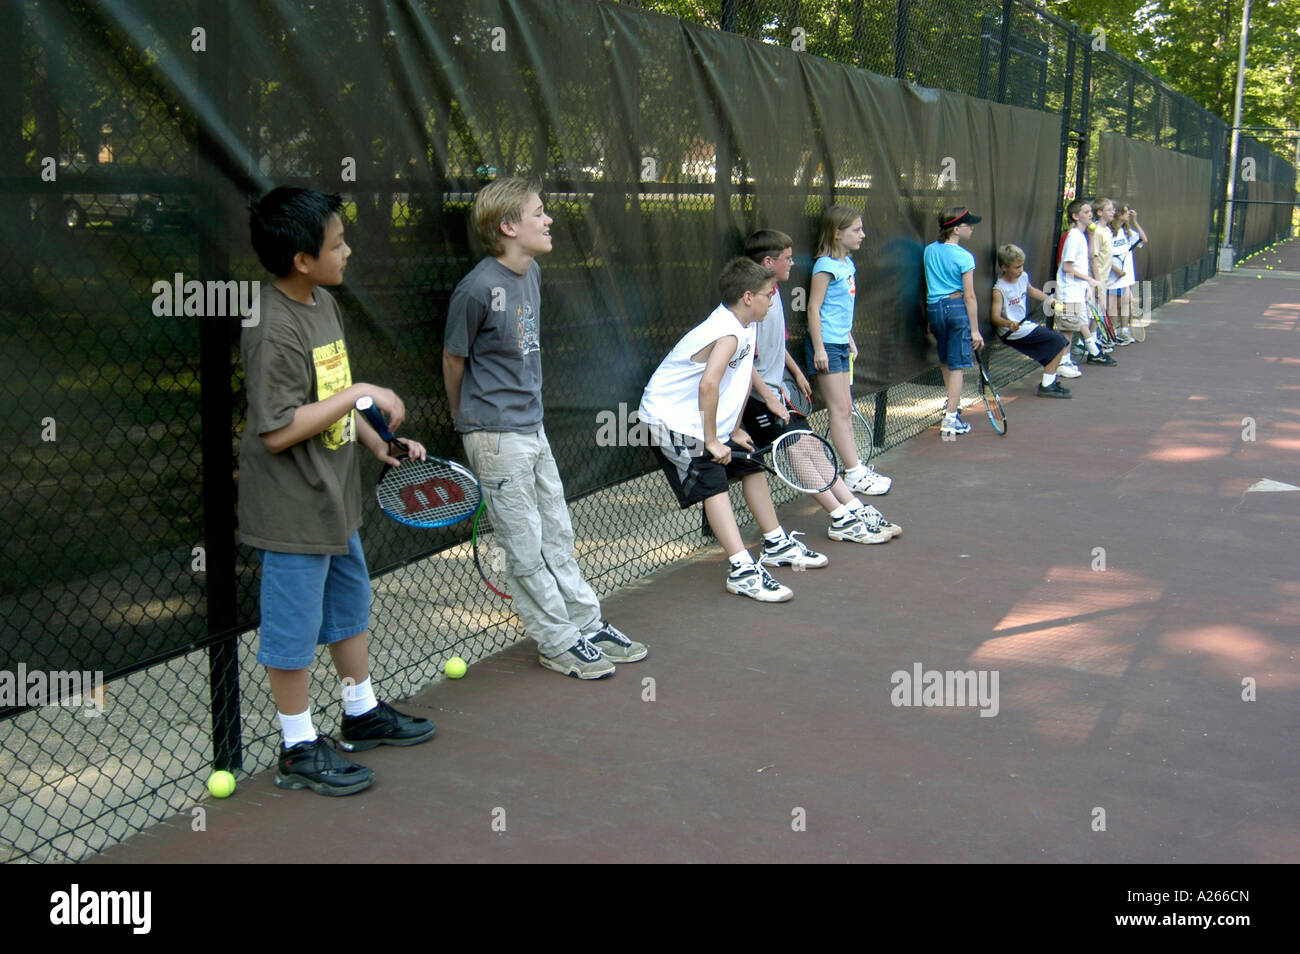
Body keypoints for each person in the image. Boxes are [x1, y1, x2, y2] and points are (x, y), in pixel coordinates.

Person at [242, 186, 436, 797]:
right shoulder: (271, 328)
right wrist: (358, 397)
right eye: (337, 243)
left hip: (336, 500)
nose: (348, 250)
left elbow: (331, 396)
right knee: (294, 627)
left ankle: (360, 712)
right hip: (292, 510)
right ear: (302, 259)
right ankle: (298, 746)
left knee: (350, 606)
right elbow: (277, 430)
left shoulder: (323, 303)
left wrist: (377, 441)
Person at [443, 177, 646, 680]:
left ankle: (586, 624)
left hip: (532, 428)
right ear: (509, 226)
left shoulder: (529, 272)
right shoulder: (476, 289)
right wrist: (464, 421)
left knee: (557, 532)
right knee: (525, 545)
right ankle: (556, 642)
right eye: (539, 212)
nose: (549, 219)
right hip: (494, 434)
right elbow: (453, 358)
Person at [640, 257, 827, 603]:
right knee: (713, 478)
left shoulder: (748, 323)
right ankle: (742, 570)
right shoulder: (726, 331)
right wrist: (712, 439)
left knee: (750, 464)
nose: (772, 300)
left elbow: (738, 381)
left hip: (700, 418)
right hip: (670, 420)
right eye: (767, 295)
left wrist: (735, 428)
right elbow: (709, 385)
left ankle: (775, 543)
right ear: (746, 297)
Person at [742, 228, 899, 544]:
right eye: (786, 259)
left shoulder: (771, 292)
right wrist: (768, 397)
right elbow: (744, 359)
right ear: (768, 261)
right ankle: (839, 518)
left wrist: (796, 371)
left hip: (779, 390)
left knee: (812, 445)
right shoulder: (750, 301)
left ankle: (854, 506)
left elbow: (772, 345)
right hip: (759, 399)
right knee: (797, 451)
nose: (792, 264)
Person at [805, 205, 892, 491]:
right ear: (837, 233)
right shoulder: (824, 266)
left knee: (846, 409)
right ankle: (854, 474)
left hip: (841, 343)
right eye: (856, 230)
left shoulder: (847, 265)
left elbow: (841, 309)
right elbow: (814, 308)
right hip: (827, 345)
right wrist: (819, 348)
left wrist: (849, 337)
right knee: (839, 408)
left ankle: (854, 470)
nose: (862, 235)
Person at [923, 205, 984, 436]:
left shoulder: (929, 250)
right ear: (956, 229)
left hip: (934, 309)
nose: (972, 229)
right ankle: (950, 419)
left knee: (947, 361)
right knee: (957, 364)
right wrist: (975, 330)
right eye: (969, 225)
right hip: (956, 308)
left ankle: (952, 408)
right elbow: (969, 295)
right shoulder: (965, 257)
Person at [990, 244, 1072, 398]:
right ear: (1004, 267)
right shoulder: (999, 289)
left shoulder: (1023, 276)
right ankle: (1047, 385)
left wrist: (1054, 303)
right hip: (1010, 331)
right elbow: (995, 317)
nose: (1020, 270)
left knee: (1060, 342)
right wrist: (1009, 323)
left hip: (1024, 326)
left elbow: (1031, 290)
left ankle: (1049, 383)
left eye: (1022, 266)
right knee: (1059, 340)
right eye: (1016, 267)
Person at [1055, 198, 1117, 368]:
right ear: (1075, 216)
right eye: (1086, 212)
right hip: (1068, 292)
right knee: (1066, 330)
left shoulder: (1082, 236)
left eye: (1090, 212)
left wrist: (1087, 286)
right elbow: (1067, 267)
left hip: (1078, 290)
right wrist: (1090, 280)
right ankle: (1062, 363)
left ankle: (1067, 361)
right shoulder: (1073, 237)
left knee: (1073, 327)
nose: (1090, 215)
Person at [1106, 203, 1137, 344]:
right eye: (1125, 211)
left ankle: (1123, 330)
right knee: (1113, 304)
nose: (1129, 213)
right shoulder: (1107, 232)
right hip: (1112, 277)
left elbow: (1144, 239)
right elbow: (1102, 255)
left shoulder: (1126, 231)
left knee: (1125, 302)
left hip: (1125, 277)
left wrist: (1134, 222)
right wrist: (1116, 270)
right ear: (1118, 214)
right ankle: (1113, 332)